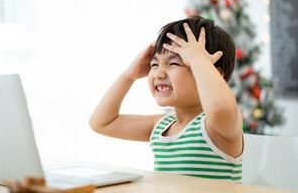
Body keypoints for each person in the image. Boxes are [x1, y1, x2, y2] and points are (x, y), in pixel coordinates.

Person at [89, 15, 243, 183]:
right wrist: (129, 76)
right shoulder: (161, 126)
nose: (158, 73)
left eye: (174, 64)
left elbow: (219, 107)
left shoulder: (217, 127)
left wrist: (198, 58)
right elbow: (101, 123)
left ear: (215, 74)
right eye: (154, 64)